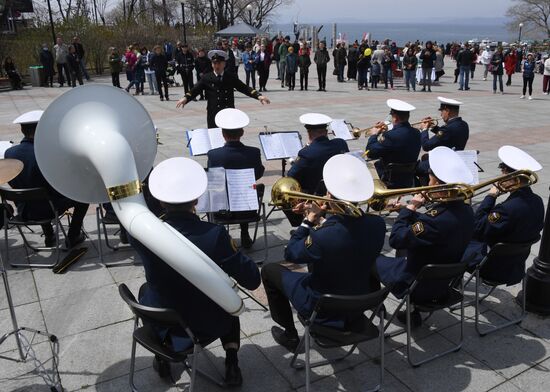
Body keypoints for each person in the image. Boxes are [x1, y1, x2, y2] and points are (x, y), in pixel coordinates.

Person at [131, 157, 260, 386]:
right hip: (203, 325)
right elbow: (252, 280)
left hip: (163, 321)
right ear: (197, 199)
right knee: (229, 301)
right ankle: (231, 362)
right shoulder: (214, 235)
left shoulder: (139, 234)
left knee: (145, 288)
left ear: (160, 202)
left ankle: (162, 355)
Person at [262, 154, 386, 351]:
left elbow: (292, 254)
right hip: (361, 299)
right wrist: (321, 220)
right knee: (324, 258)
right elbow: (345, 234)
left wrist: (307, 222)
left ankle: (290, 335)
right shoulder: (378, 224)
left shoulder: (324, 237)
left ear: (329, 194)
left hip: (323, 307)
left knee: (269, 270)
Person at [376, 147, 474, 327]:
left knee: (370, 258)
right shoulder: (467, 211)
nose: (427, 184)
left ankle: (374, 306)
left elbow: (395, 239)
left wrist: (409, 209)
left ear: (438, 185)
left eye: (430, 180)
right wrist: (406, 212)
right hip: (444, 281)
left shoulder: (433, 220)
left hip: (416, 282)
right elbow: (436, 228)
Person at [461, 146, 544, 285]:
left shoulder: (505, 209)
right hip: (515, 266)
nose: (500, 175)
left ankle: (448, 285)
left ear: (509, 175)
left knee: (455, 242)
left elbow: (477, 227)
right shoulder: (537, 201)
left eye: (502, 171)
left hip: (493, 268)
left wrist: (490, 197)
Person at [5, 111, 89, 249]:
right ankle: (73, 236)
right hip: (49, 209)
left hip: (23, 210)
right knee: (83, 198)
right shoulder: (46, 155)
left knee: (36, 190)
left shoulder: (10, 153)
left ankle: (49, 236)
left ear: (22, 130)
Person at [207, 109, 265, 249]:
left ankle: (221, 237)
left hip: (222, 211)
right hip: (248, 209)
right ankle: (245, 233)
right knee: (244, 190)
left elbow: (213, 180)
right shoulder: (254, 152)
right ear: (242, 133)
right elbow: (258, 174)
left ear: (223, 134)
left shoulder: (214, 154)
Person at [176, 50, 270, 128]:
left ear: (224, 64)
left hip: (228, 112)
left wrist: (258, 96)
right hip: (213, 113)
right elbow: (195, 90)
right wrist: (186, 98)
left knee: (229, 138)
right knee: (214, 137)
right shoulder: (206, 77)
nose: (217, 66)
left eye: (219, 63)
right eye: (214, 63)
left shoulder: (230, 77)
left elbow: (244, 88)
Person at [365, 99, 421, 189]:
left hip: (389, 179)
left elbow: (370, 153)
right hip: (407, 178)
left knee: (366, 166)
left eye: (391, 115)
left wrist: (374, 135)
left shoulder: (390, 136)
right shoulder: (417, 132)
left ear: (395, 117)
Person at [417, 97, 470, 184]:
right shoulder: (463, 124)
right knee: (425, 157)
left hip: (444, 163)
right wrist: (433, 127)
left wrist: (424, 130)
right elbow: (446, 136)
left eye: (442, 111)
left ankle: (424, 191)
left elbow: (426, 146)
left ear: (447, 111)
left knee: (416, 168)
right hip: (455, 158)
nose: (441, 114)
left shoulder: (448, 128)